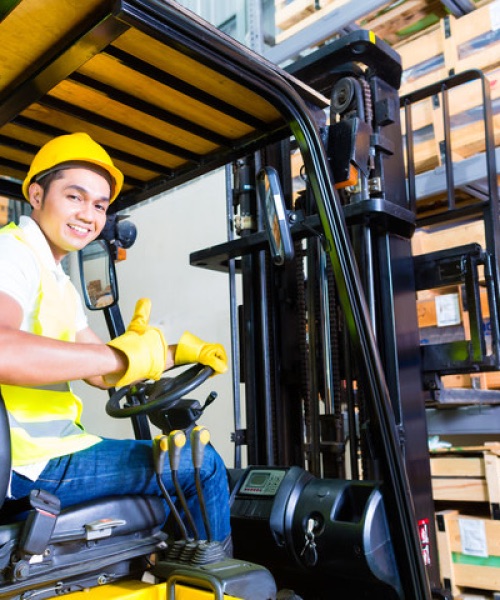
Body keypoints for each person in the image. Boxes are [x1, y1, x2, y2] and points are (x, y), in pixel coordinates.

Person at [0, 132, 231, 544]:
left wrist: (171, 352)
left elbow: (102, 372)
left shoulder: (55, 277)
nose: (88, 215)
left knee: (173, 483)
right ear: (36, 195)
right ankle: (218, 581)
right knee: (203, 464)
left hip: (41, 454)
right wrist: (119, 358)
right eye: (75, 197)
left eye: (100, 205)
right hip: (30, 462)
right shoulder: (12, 253)